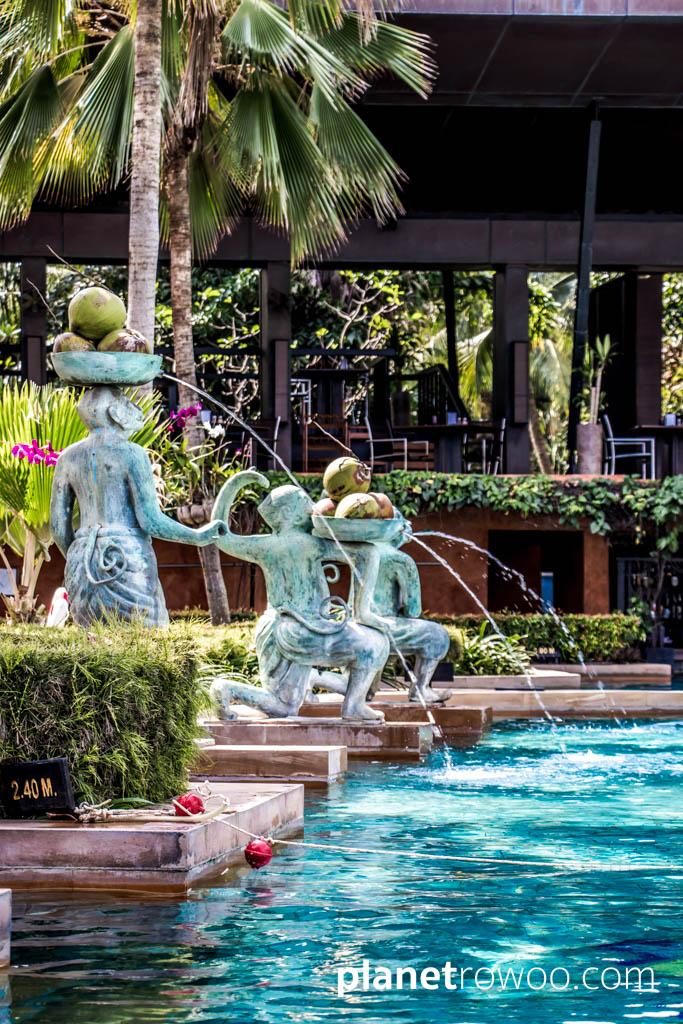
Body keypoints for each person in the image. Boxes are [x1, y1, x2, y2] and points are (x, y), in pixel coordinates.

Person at [210, 471, 389, 721]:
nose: (312, 507)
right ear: (288, 514)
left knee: (283, 707)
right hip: (304, 629)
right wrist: (363, 611)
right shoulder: (309, 543)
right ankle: (354, 706)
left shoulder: (266, 545)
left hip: (273, 629)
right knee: (375, 645)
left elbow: (221, 536)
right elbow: (368, 554)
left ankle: (225, 689)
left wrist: (232, 486)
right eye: (305, 502)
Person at [50, 386, 226, 627]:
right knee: (148, 640)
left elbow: (59, 528)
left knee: (94, 649)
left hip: (82, 561)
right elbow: (150, 520)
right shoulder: (132, 454)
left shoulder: (67, 458)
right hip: (126, 557)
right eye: (124, 402)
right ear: (114, 412)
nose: (132, 408)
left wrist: (80, 554)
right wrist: (197, 536)